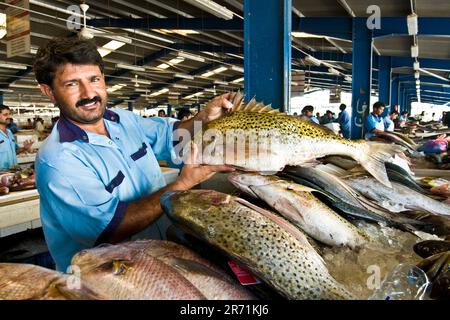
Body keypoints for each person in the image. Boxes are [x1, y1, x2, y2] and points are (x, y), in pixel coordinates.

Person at [33, 37, 236, 272]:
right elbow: (109, 229)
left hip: (157, 259)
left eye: (94, 79)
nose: (89, 93)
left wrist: (202, 119)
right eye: (72, 84)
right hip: (105, 281)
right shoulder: (59, 159)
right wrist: (182, 184)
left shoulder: (122, 120)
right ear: (49, 91)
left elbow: (171, 135)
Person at [0, 105, 33, 170]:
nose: (9, 117)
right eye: (5, 114)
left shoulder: (9, 132)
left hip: (13, 172)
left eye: (9, 114)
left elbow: (15, 151)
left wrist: (24, 148)